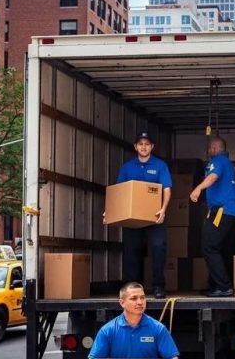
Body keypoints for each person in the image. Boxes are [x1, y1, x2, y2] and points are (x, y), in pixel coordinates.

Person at [107, 132, 172, 299]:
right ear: (135, 146)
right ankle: (132, 290)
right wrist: (111, 210)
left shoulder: (160, 165)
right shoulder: (127, 167)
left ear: (152, 147)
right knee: (131, 251)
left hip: (154, 216)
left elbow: (166, 189)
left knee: (158, 248)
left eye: (147, 144)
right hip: (133, 219)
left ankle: (158, 286)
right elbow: (119, 191)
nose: (144, 147)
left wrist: (163, 209)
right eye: (140, 144)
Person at [189, 136, 235, 297]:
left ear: (219, 149)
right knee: (222, 250)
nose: (211, 150)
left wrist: (198, 188)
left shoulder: (218, 160)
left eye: (213, 147)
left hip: (221, 211)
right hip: (232, 213)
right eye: (210, 148)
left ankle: (223, 287)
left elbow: (213, 177)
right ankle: (216, 285)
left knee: (209, 246)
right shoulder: (229, 164)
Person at [88, 282, 180, 359]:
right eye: (134, 298)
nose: (140, 302)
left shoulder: (158, 328)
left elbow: (172, 357)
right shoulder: (108, 330)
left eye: (142, 298)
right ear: (122, 303)